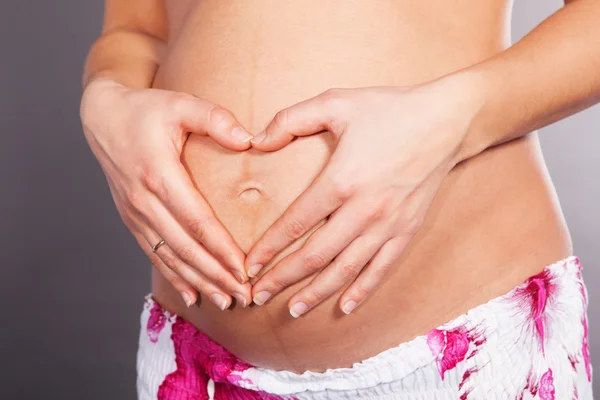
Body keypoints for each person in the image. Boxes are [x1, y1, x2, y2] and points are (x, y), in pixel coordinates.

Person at [79, 0, 597, 398]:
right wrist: (107, 97)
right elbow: (138, 28)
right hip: (195, 364)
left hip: (471, 354)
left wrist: (452, 119)